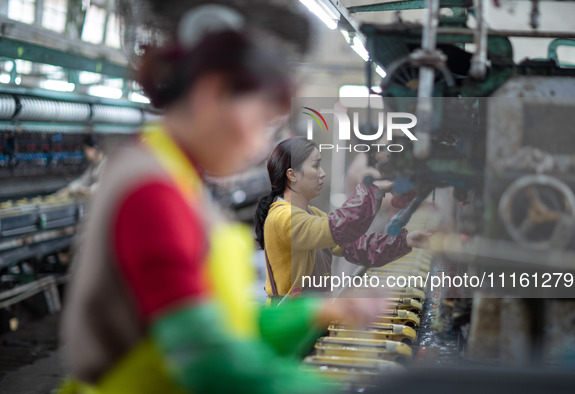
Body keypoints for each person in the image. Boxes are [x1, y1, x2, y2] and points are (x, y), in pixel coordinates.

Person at [60, 3, 382, 394]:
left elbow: (222, 322)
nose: (264, 143)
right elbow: (208, 359)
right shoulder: (151, 191)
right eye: (264, 122)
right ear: (213, 94)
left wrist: (318, 312)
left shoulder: (177, 181)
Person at [254, 137, 431, 298]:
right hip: (291, 326)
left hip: (313, 320)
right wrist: (373, 188)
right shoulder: (282, 218)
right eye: (315, 166)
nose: (322, 173)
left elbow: (359, 247)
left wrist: (406, 240)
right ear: (292, 175)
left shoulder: (311, 215)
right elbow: (342, 227)